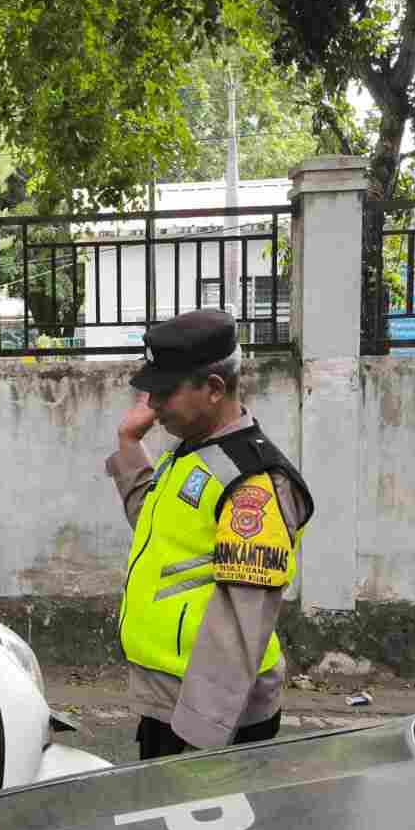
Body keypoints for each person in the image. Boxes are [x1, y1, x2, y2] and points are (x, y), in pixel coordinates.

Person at [105, 308, 315, 760]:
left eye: (164, 393)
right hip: (172, 701)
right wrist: (128, 446)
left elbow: (240, 624)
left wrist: (198, 741)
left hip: (211, 716)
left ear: (214, 389)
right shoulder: (193, 453)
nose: (153, 405)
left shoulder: (255, 483)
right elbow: (157, 529)